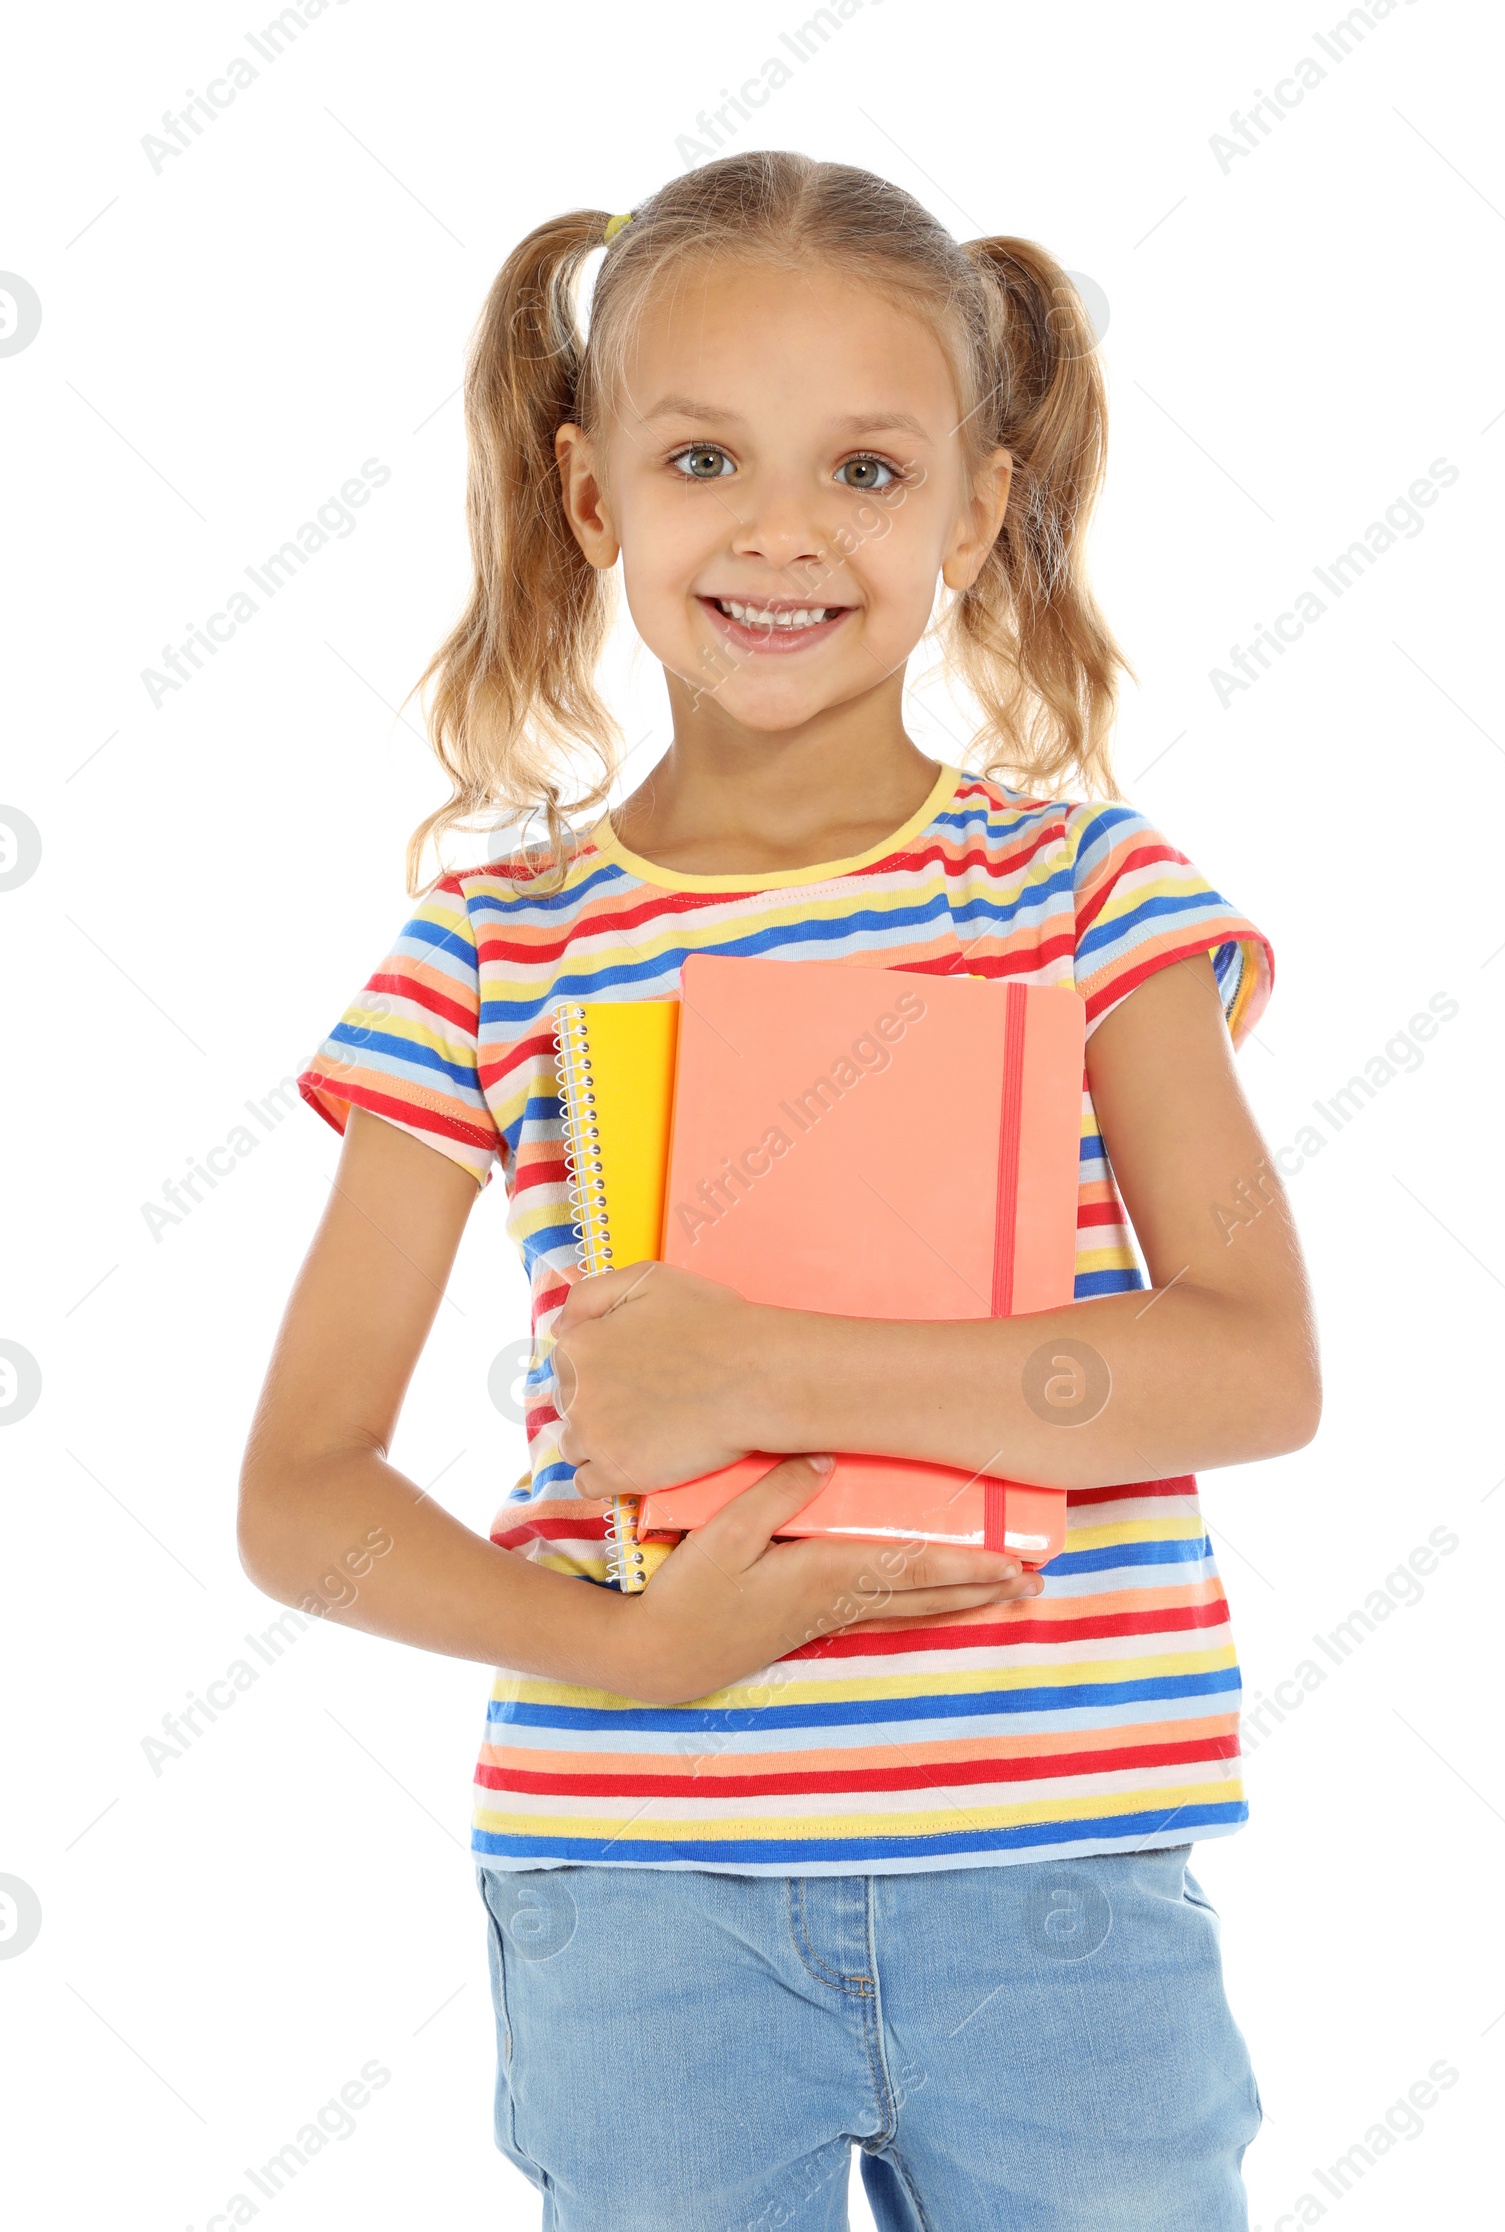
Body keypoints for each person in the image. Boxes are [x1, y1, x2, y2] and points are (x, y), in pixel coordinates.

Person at [239, 150, 1319, 2231]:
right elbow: (301, 1493)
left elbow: (1250, 1370)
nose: (782, 534)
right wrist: (613, 1650)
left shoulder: (1082, 898)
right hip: (636, 1881)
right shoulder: (491, 947)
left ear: (977, 511)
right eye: (707, 456)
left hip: (1054, 1866)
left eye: (867, 471)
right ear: (588, 498)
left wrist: (759, 1367)